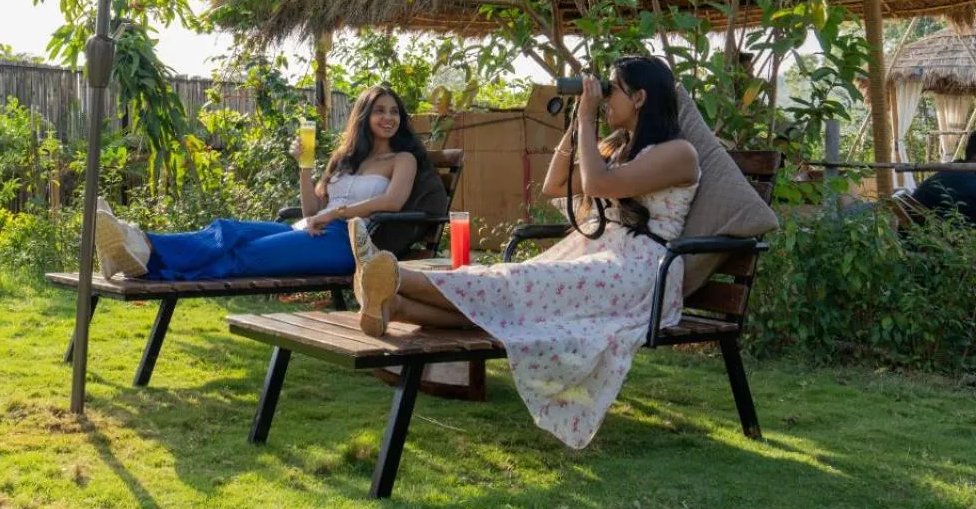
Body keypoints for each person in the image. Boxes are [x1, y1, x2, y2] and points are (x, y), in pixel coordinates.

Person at [349, 56, 700, 450]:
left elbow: (599, 185)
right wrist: (575, 123)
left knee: (519, 283)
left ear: (639, 98)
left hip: (641, 271)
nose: (603, 99)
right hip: (602, 255)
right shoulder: (621, 148)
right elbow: (554, 184)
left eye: (611, 90)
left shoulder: (678, 153)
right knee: (513, 298)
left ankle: (392, 275)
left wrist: (587, 120)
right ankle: (396, 305)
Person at [93, 85, 435, 281]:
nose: (388, 118)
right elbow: (310, 210)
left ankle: (144, 262)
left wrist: (335, 214)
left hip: (349, 243)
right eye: (380, 111)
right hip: (308, 228)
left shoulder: (402, 160)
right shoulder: (344, 157)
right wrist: (304, 168)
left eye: (394, 112)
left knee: (246, 256)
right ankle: (137, 245)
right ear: (364, 117)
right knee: (227, 230)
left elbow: (392, 202)